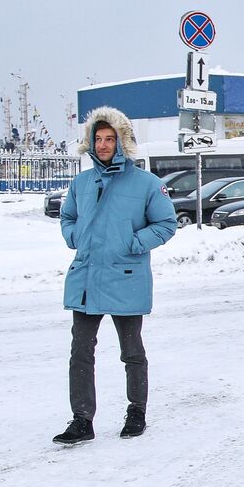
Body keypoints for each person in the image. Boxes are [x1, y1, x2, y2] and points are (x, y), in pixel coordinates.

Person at [54, 107, 176, 444]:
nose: (103, 144)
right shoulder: (81, 183)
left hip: (127, 276)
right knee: (80, 352)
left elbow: (166, 224)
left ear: (122, 142)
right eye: (98, 138)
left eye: (110, 139)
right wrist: (75, 237)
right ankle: (82, 420)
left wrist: (133, 243)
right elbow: (67, 217)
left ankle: (137, 411)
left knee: (132, 351)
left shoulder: (146, 184)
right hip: (86, 278)